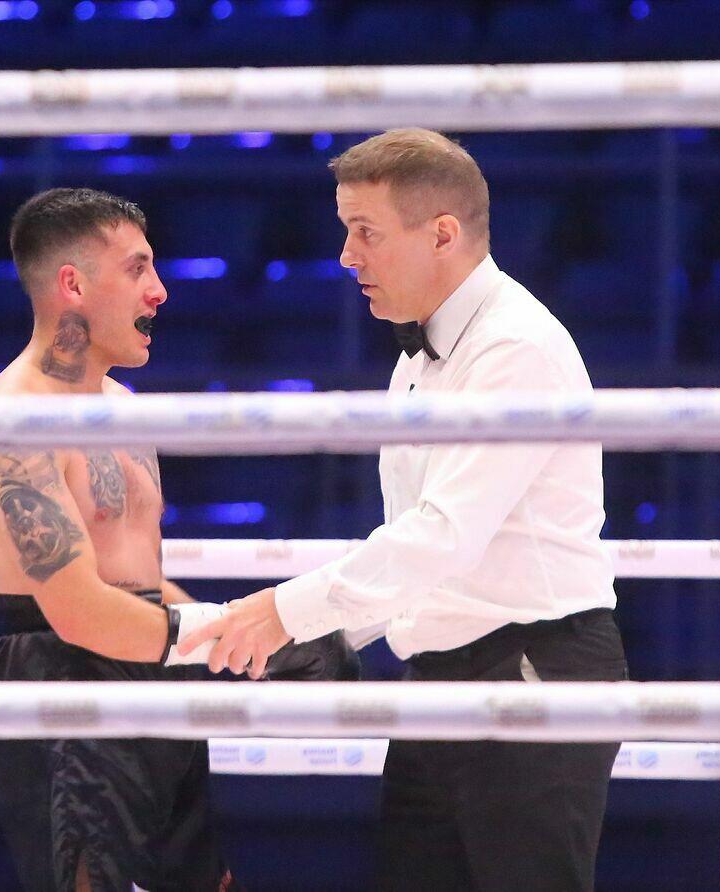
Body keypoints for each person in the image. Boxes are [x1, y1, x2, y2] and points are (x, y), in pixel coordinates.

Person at [181, 128, 628, 891]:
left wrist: (288, 612)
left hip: (532, 669)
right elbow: (416, 547)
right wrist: (326, 632)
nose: (346, 256)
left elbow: (444, 537)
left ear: (442, 235)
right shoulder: (419, 357)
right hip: (440, 677)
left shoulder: (515, 348)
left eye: (366, 232)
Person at [0, 187, 355, 892]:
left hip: (151, 657)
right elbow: (80, 610)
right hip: (68, 677)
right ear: (73, 284)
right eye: (137, 269)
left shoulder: (124, 409)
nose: (160, 291)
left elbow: (134, 580)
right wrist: (226, 633)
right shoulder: (11, 422)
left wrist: (253, 639)